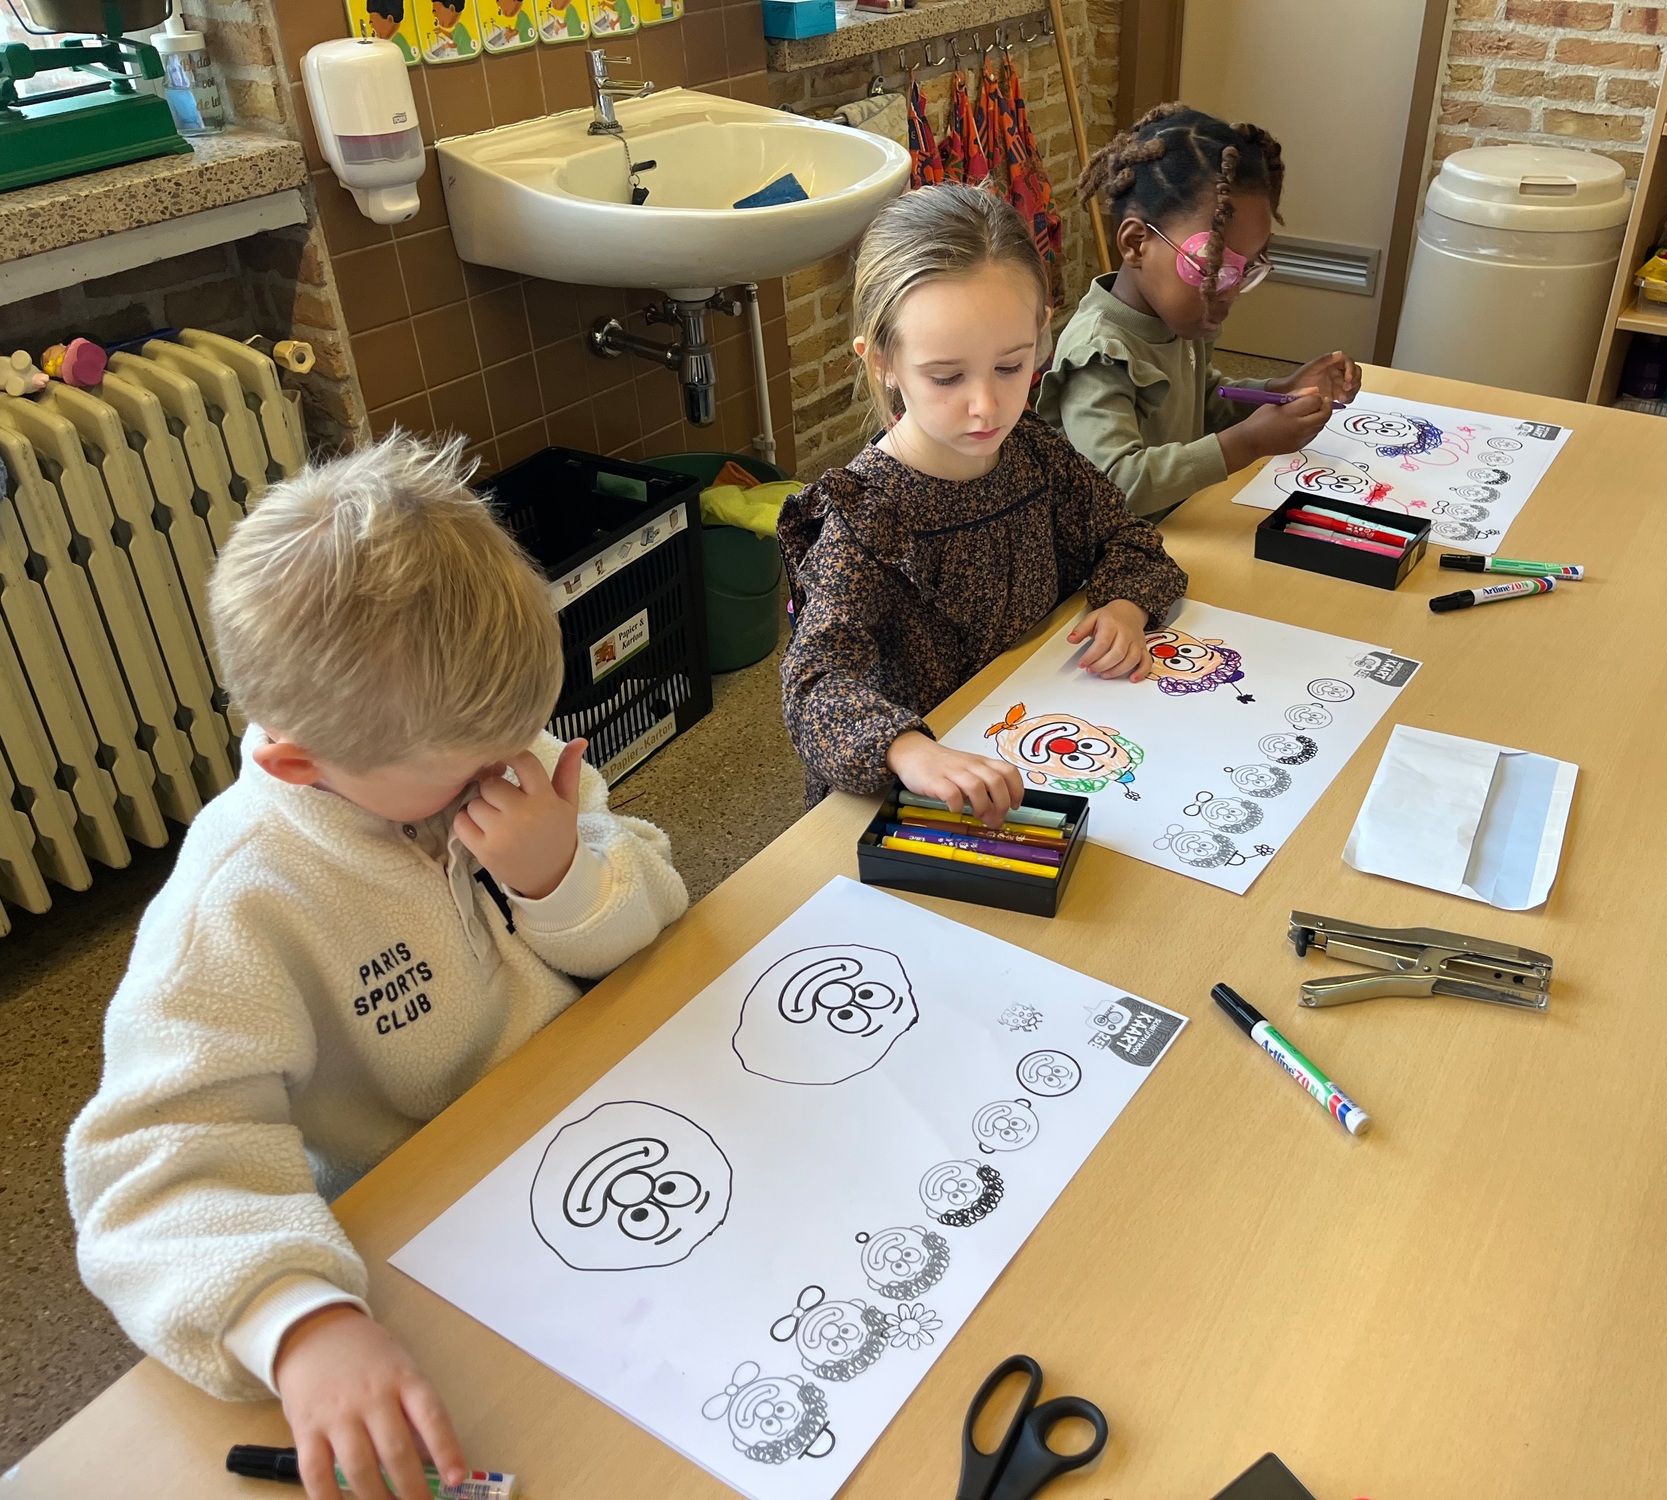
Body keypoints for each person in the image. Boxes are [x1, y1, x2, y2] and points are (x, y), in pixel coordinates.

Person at [65, 435, 689, 1500]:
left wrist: (561, 878)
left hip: (598, 1119)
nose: (515, 769)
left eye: (523, 736)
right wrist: (301, 1323)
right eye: (473, 765)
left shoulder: (487, 741)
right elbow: (154, 1169)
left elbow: (657, 903)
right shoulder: (236, 900)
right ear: (298, 762)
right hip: (427, 1237)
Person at [779, 183, 1189, 824]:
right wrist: (909, 750)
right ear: (882, 361)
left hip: (1045, 736)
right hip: (923, 797)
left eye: (1010, 367)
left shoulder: (1033, 453)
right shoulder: (865, 519)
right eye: (947, 377)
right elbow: (813, 683)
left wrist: (1125, 608)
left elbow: (1129, 537)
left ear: (1041, 334)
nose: (986, 406)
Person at [1035, 104, 1365, 520]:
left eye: (1245, 270)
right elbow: (1114, 484)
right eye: (1212, 268)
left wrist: (1282, 389)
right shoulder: (1099, 355)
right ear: (1136, 244)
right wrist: (1247, 443)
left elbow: (1203, 402)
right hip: (1114, 553)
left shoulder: (1176, 322)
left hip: (1179, 526)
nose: (1230, 292)